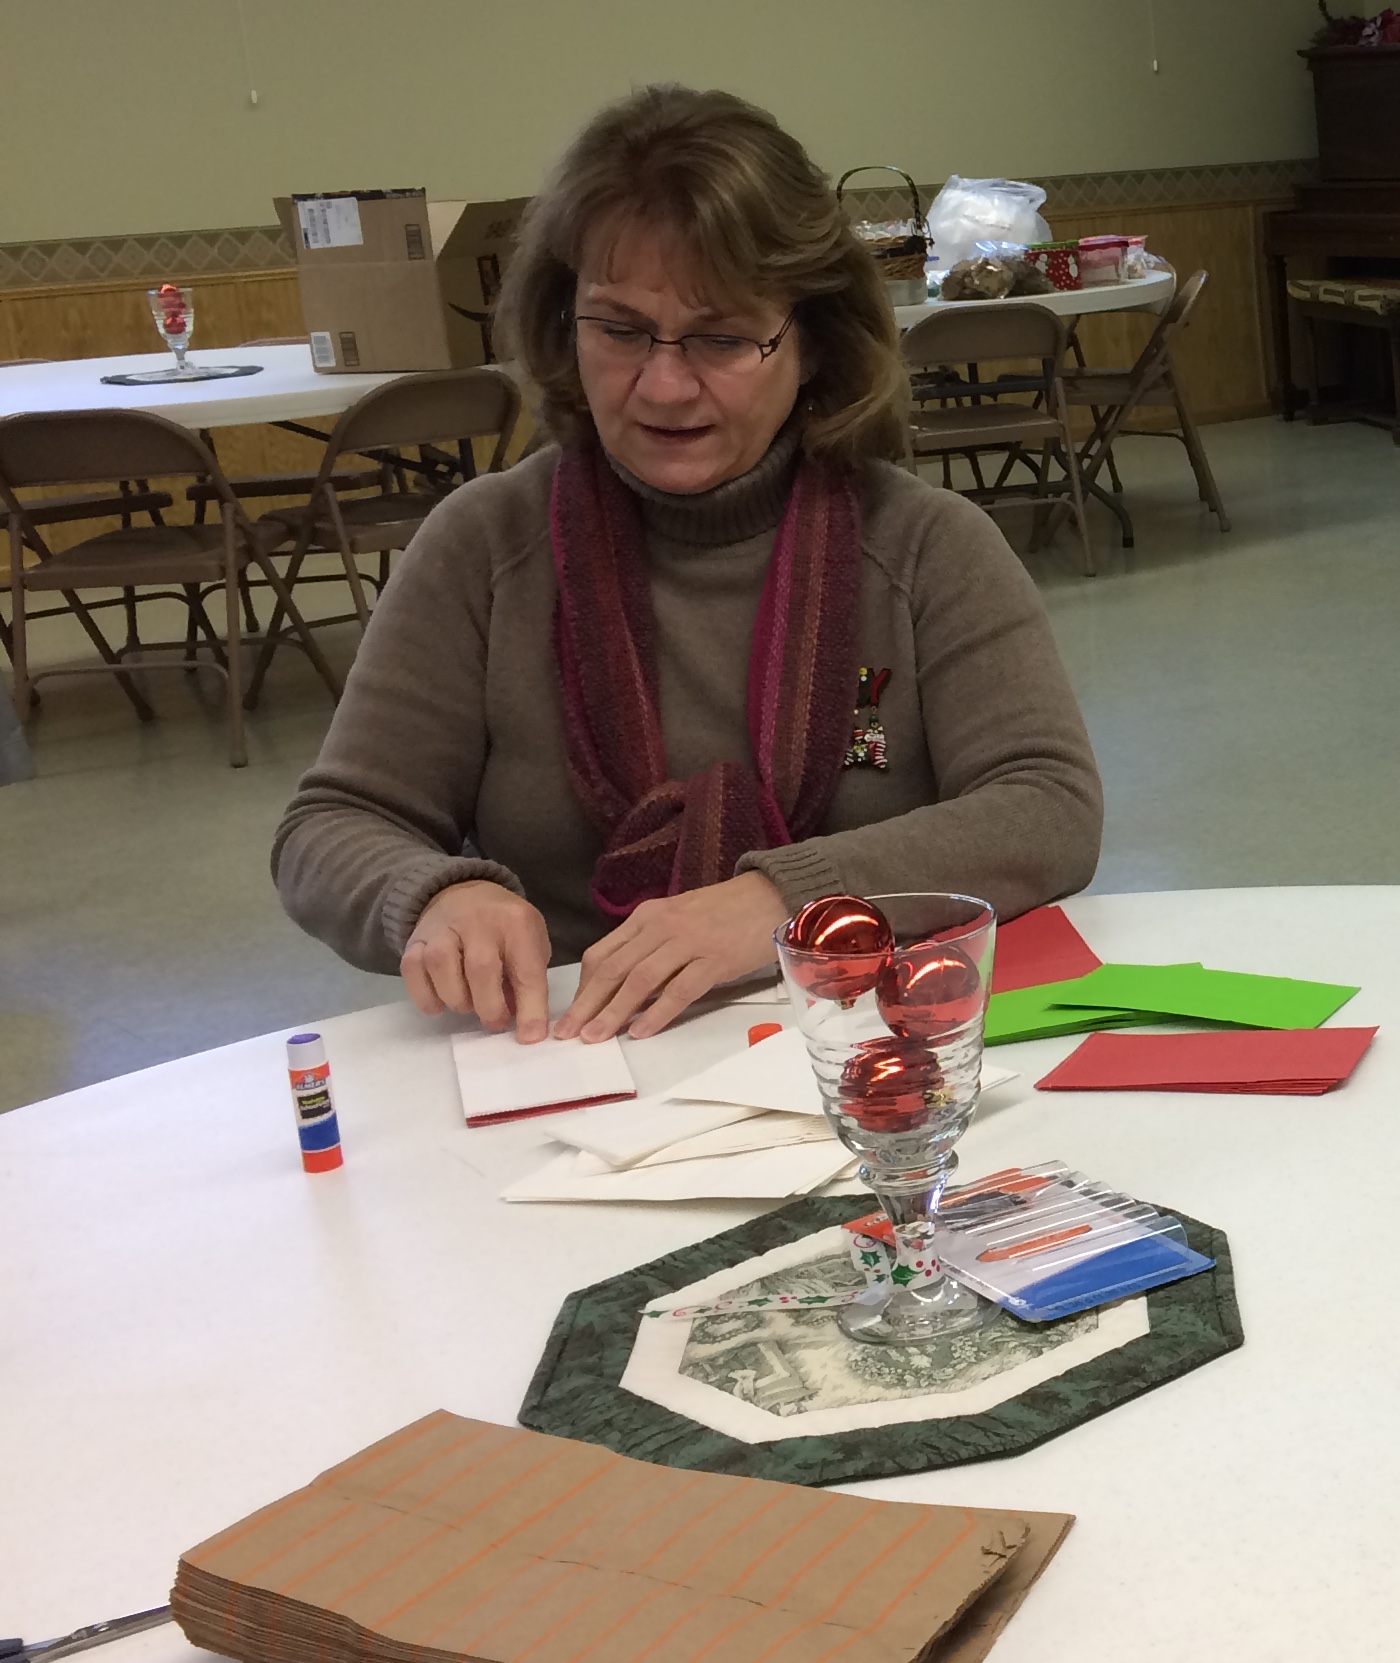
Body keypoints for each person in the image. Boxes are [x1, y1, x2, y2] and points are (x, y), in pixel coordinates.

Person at [274, 84, 1104, 1045]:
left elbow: (1046, 808)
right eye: (619, 329)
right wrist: (432, 893)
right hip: (575, 1062)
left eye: (721, 337)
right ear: (561, 323)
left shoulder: (926, 548)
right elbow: (330, 826)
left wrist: (777, 902)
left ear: (814, 342)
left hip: (871, 1055)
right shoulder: (484, 547)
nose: (664, 385)